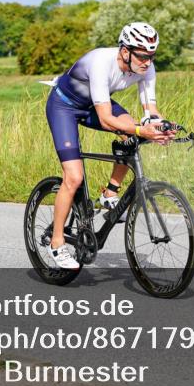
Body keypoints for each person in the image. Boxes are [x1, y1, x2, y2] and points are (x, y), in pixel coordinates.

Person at [44, 22, 174, 269]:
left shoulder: (146, 67)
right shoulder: (101, 63)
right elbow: (105, 119)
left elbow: (151, 111)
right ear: (125, 51)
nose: (147, 62)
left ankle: (110, 194)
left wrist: (161, 128)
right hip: (64, 107)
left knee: (131, 135)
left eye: (152, 56)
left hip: (93, 104)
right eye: (142, 56)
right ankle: (57, 242)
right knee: (74, 177)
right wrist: (140, 129)